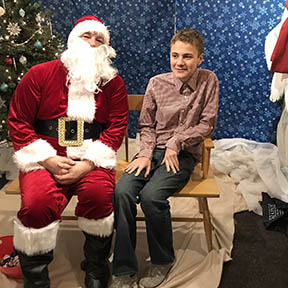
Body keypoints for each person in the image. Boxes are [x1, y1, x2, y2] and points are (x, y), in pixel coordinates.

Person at [8, 15, 128, 288]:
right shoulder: (39, 74)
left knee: (99, 196)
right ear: (73, 39)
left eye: (100, 39)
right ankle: (36, 279)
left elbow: (116, 127)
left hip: (91, 157)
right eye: (87, 36)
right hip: (44, 155)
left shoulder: (113, 84)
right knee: (37, 204)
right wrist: (47, 159)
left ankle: (96, 268)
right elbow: (19, 121)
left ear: (106, 49)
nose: (93, 43)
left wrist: (88, 163)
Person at [110, 28, 219, 288]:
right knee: (122, 191)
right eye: (175, 55)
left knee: (151, 196)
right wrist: (146, 154)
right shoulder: (156, 82)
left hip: (181, 154)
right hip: (152, 150)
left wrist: (176, 142)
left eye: (188, 56)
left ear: (200, 58)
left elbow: (207, 124)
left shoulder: (209, 80)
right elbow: (146, 125)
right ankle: (124, 267)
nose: (180, 62)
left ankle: (162, 259)